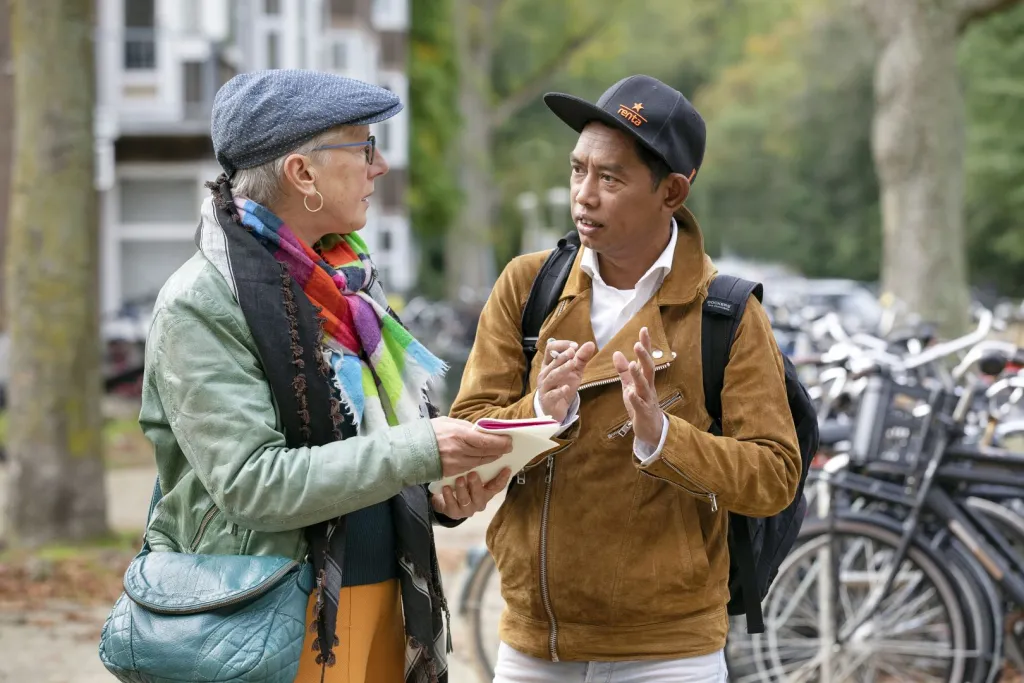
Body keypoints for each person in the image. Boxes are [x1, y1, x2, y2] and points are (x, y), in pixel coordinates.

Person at [139, 69, 512, 683]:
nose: (381, 165)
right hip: (267, 618)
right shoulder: (201, 302)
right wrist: (420, 449)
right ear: (302, 173)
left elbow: (376, 455)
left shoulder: (348, 286)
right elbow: (253, 484)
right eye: (363, 146)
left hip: (386, 602)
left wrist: (441, 492)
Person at [449, 75, 803, 682]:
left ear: (672, 191)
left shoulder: (726, 313)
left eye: (610, 178)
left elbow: (775, 475)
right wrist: (543, 411)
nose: (584, 195)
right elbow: (462, 439)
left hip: (671, 651)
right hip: (536, 643)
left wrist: (663, 437)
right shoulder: (528, 286)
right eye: (577, 170)